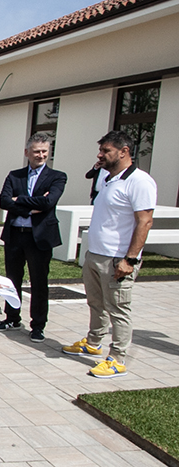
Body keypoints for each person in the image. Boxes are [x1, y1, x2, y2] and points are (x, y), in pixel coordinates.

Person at [63, 130, 156, 378]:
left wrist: (130, 259)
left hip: (118, 259)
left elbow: (145, 221)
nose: (100, 155)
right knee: (96, 303)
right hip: (95, 254)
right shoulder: (108, 178)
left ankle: (117, 359)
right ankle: (93, 342)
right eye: (100, 150)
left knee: (118, 309)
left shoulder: (140, 181)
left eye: (106, 151)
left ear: (124, 152)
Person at [0, 132, 68, 342]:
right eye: (37, 151)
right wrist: (31, 206)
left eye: (45, 151)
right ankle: (12, 318)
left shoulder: (57, 177)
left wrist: (18, 200)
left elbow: (48, 202)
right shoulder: (15, 175)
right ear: (27, 152)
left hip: (39, 238)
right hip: (15, 235)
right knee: (12, 280)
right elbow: (4, 201)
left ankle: (38, 325)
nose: (41, 155)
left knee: (39, 282)